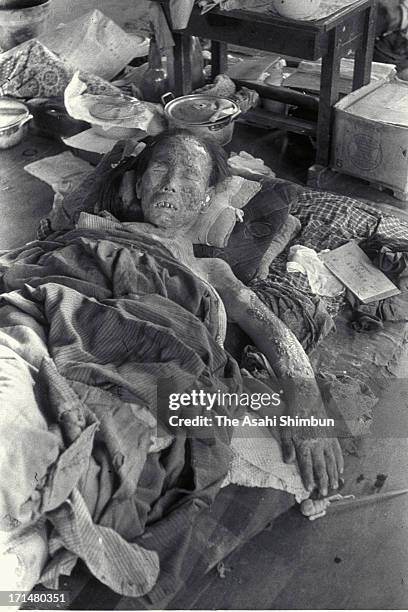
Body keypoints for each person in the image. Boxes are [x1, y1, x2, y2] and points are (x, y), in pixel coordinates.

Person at [0, 129, 343, 596]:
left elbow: (269, 328)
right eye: (160, 168)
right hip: (48, 312)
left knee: (117, 442)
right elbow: (32, 268)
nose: (170, 183)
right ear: (136, 186)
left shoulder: (211, 270)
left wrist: (306, 398)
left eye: (189, 175)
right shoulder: (85, 229)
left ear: (205, 200)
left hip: (150, 358)